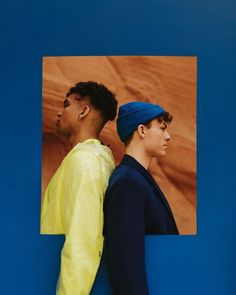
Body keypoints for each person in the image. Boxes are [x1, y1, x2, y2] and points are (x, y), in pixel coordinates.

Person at [40, 81, 118, 295]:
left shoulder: (87, 161)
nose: (59, 112)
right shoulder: (88, 158)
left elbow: (83, 239)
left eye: (66, 105)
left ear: (83, 111)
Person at [104, 101, 179, 295]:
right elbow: (126, 263)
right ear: (141, 130)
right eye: (162, 128)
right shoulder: (127, 182)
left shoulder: (135, 178)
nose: (168, 136)